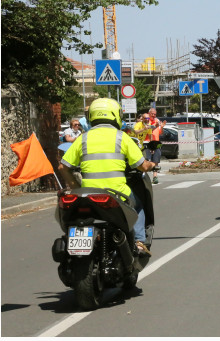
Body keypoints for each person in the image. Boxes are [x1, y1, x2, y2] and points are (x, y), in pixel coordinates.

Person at [58, 98, 157, 257]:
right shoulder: (122, 137)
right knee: (138, 205)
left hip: (88, 194)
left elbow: (63, 167)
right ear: (116, 115)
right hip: (117, 193)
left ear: (91, 116)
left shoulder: (83, 138)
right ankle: (139, 242)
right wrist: (152, 164)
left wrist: (75, 186)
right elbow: (142, 166)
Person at [147, 108, 166, 184]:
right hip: (148, 143)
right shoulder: (146, 120)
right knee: (146, 161)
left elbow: (161, 133)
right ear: (149, 113)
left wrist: (161, 127)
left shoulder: (157, 120)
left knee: (156, 161)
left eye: (155, 114)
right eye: (152, 113)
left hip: (156, 143)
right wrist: (155, 125)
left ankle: (155, 177)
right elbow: (148, 130)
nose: (154, 115)